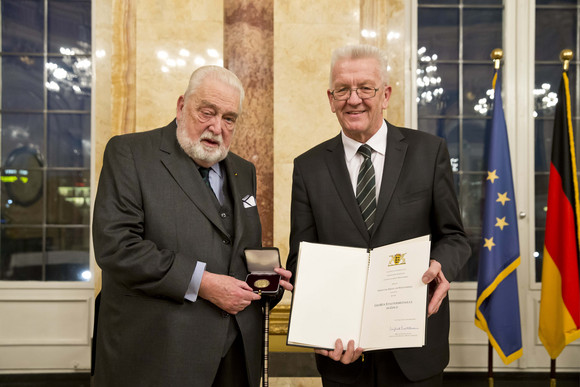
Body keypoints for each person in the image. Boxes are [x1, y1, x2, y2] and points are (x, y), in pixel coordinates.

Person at [92, 65, 293, 387]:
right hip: (160, 356)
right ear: (181, 105)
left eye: (229, 118)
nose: (217, 127)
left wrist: (266, 278)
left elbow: (235, 247)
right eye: (207, 112)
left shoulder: (244, 170)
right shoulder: (129, 153)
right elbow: (117, 247)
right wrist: (203, 283)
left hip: (236, 354)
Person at [287, 44, 471, 386]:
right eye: (342, 89)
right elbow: (302, 259)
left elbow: (454, 237)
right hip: (343, 352)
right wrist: (323, 325)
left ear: (385, 95)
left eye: (365, 88)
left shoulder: (429, 153)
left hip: (415, 348)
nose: (353, 99)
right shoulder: (308, 167)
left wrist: (440, 265)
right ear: (330, 98)